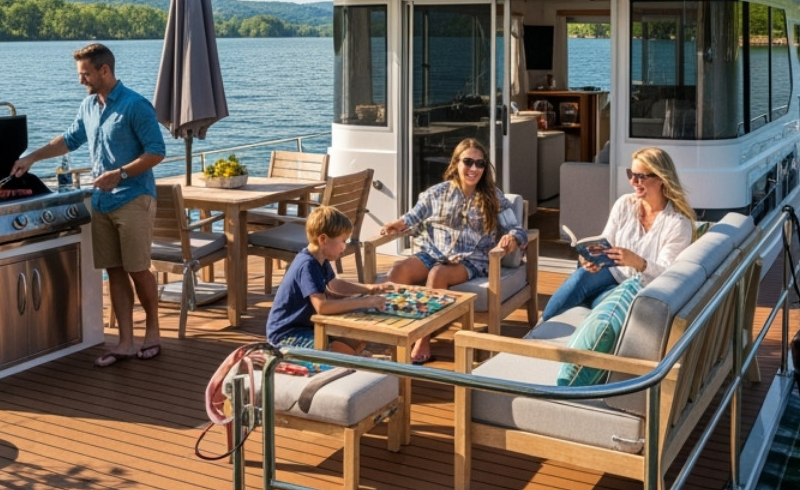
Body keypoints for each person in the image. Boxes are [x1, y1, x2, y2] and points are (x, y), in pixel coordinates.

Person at [12, 42, 166, 366]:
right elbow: (69, 140)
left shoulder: (136, 105)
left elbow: (156, 151)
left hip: (134, 197)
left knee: (138, 269)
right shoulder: (89, 106)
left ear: (104, 70)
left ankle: (153, 333)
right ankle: (125, 342)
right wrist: (31, 158)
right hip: (101, 201)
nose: (80, 80)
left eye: (85, 74)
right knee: (115, 271)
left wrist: (120, 173)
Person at [379, 138, 527, 363]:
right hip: (433, 252)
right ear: (456, 163)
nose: (473, 169)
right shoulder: (437, 192)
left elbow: (517, 229)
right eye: (468, 162)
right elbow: (412, 217)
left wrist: (512, 238)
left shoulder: (493, 196)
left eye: (480, 164)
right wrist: (397, 224)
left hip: (470, 260)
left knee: (438, 274)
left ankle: (423, 339)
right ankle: (392, 332)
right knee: (399, 270)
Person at [539, 146, 695, 323]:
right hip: (612, 272)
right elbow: (607, 240)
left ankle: (591, 304)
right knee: (581, 276)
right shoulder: (625, 204)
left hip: (640, 285)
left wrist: (638, 262)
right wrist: (592, 257)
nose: (633, 181)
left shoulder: (677, 223)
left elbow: (667, 273)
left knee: (603, 302)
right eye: (631, 174)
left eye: (641, 176)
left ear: (660, 179)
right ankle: (540, 326)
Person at [265, 207, 394, 353]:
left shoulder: (320, 258)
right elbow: (322, 307)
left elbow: (335, 284)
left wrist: (369, 289)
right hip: (287, 335)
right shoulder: (307, 265)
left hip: (306, 327)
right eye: (343, 241)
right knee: (343, 354)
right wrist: (366, 302)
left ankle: (353, 356)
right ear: (323, 240)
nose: (344, 247)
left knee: (356, 338)